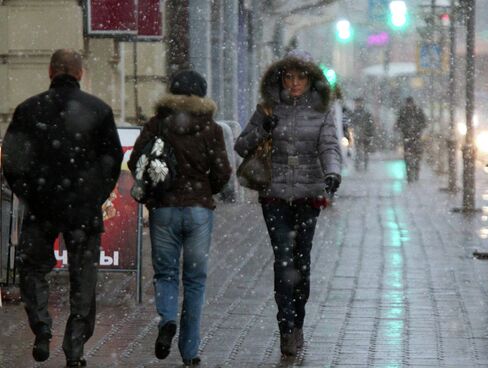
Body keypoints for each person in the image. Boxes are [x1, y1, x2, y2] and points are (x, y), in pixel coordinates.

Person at [1, 49, 123, 367]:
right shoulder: (98, 110)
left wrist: (30, 193)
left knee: (33, 269)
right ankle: (75, 346)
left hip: (42, 205)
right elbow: (112, 162)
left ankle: (42, 328)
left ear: (50, 72)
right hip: (82, 208)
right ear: (80, 74)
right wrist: (94, 195)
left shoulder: (29, 109)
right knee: (83, 278)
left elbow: (12, 160)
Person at [235, 49, 342, 357]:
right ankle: (286, 326)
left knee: (302, 262)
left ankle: (298, 323)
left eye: (301, 77)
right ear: (280, 78)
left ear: (311, 80)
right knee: (284, 261)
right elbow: (241, 145)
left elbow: (330, 146)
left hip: (308, 196)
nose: (294, 84)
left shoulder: (321, 110)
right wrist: (263, 128)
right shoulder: (268, 108)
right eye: (289, 77)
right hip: (275, 196)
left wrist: (332, 174)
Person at [127, 70, 231, 367]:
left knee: (166, 274)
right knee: (195, 281)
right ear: (201, 95)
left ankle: (167, 321)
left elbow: (137, 162)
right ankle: (190, 352)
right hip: (198, 211)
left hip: (164, 210)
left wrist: (153, 194)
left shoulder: (158, 123)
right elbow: (223, 171)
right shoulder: (211, 128)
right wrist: (205, 192)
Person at [396, 96, 427, 182]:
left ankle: (416, 173)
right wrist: (403, 128)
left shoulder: (418, 111)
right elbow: (398, 123)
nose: (409, 105)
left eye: (410, 103)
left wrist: (417, 129)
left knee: (417, 156)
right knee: (407, 156)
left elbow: (424, 122)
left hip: (416, 137)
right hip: (407, 137)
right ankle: (409, 174)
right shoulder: (403, 112)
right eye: (408, 103)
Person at [349, 97, 375, 171]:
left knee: (365, 151)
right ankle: (357, 165)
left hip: (365, 135)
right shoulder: (354, 113)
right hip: (357, 135)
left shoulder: (366, 113)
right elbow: (351, 123)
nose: (358, 104)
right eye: (357, 102)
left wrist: (369, 134)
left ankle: (365, 165)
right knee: (358, 151)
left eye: (359, 102)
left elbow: (370, 124)